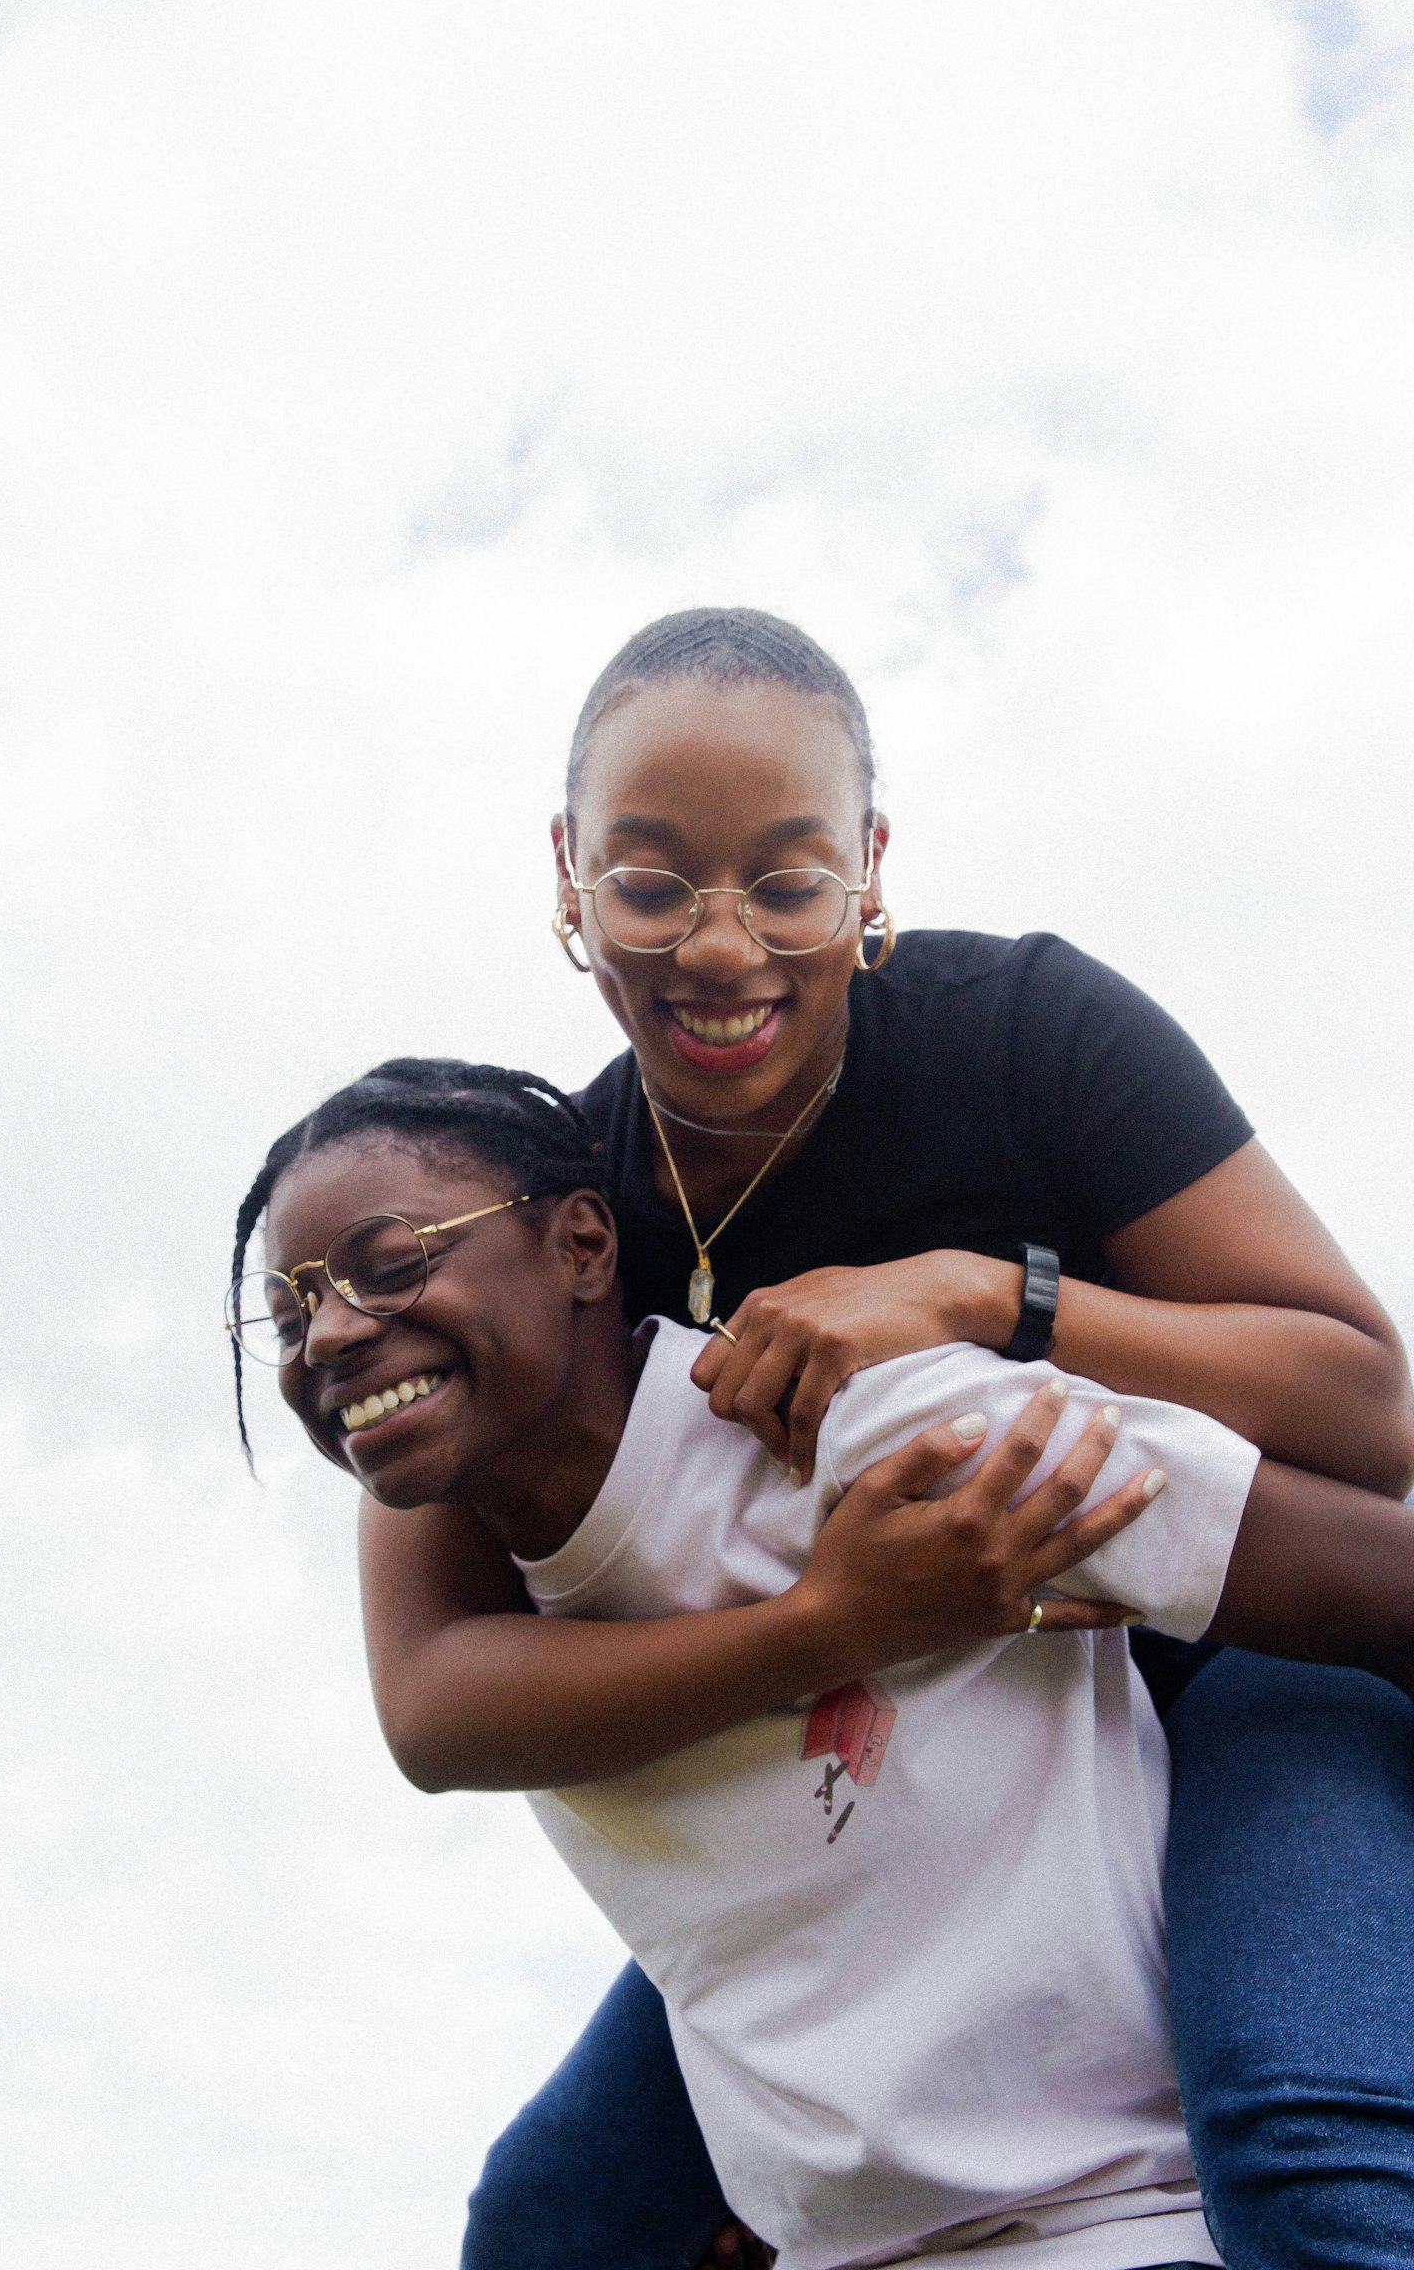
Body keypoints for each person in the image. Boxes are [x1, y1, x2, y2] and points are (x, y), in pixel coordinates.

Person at [360, 609, 1414, 2269]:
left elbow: (1369, 1408)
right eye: (650, 883)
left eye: (786, 882)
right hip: (936, 1761)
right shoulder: (568, 1215)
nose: (720, 949)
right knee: (555, 2221)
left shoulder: (1026, 1032)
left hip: (1238, 1659)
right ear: (568, 875)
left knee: (1301, 2139)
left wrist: (990, 1298)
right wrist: (833, 1627)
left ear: (869, 867)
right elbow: (432, 1680)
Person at [224, 1057, 1414, 2270]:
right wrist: (840, 1621)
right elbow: (434, 1724)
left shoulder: (884, 1432)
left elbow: (1383, 1576)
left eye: (390, 1263)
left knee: (1314, 2162)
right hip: (851, 2248)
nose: (326, 1333)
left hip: (1119, 2221)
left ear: (583, 1246)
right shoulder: (486, 1592)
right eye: (286, 1313)